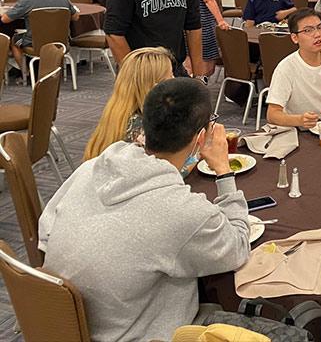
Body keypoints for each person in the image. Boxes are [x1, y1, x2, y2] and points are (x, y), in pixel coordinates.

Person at [38, 78, 250, 342]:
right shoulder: (182, 211)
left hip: (60, 324)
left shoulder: (91, 167)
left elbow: (45, 231)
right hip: (138, 334)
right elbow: (238, 247)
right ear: (201, 138)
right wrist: (222, 169)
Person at [83, 46, 174, 161]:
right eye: (170, 76)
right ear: (154, 86)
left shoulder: (116, 113)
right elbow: (173, 170)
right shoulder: (143, 128)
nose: (175, 80)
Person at [0, 0, 78, 79]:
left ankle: (26, 73)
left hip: (34, 43)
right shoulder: (64, 0)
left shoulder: (26, 1)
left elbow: (4, 19)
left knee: (14, 41)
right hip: (61, 43)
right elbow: (75, 17)